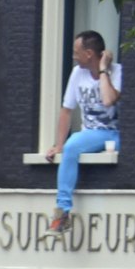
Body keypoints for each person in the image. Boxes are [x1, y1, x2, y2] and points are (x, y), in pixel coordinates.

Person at [51, 30, 123, 225]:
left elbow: (108, 100)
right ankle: (63, 210)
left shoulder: (117, 72)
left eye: (76, 52)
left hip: (113, 134)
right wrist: (58, 146)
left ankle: (62, 211)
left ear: (89, 53)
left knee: (73, 144)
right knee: (71, 146)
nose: (73, 57)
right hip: (91, 135)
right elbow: (66, 111)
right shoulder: (77, 73)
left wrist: (102, 70)